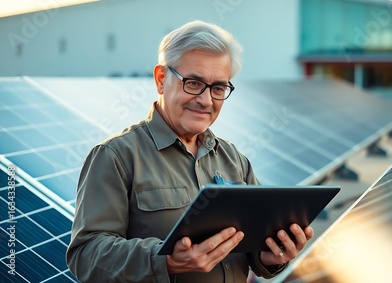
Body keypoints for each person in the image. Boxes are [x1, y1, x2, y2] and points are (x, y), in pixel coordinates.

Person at [66, 20, 314, 282]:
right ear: (161, 79)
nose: (206, 101)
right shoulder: (116, 156)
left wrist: (270, 257)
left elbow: (253, 246)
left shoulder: (234, 160)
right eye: (194, 83)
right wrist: (166, 261)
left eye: (218, 88)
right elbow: (85, 256)